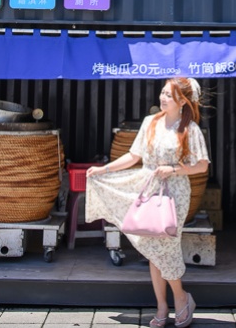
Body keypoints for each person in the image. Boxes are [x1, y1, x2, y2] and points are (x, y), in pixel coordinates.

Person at [85, 77, 210, 328]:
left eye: (169, 95)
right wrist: (103, 170)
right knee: (153, 249)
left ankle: (181, 298)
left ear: (183, 101)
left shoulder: (190, 129)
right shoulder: (149, 122)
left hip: (175, 193)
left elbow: (202, 165)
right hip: (148, 187)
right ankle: (163, 306)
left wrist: (173, 170)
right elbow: (134, 156)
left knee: (167, 246)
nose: (162, 97)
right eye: (162, 92)